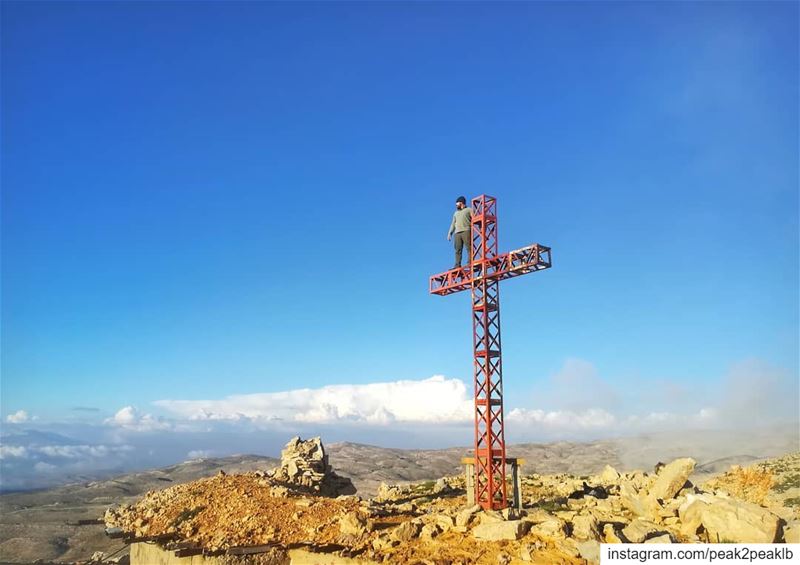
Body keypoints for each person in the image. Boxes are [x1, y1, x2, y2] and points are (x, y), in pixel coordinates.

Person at [447, 196, 472, 269]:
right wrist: (449, 233)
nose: (456, 205)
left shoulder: (469, 210)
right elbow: (453, 224)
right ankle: (457, 265)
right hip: (457, 233)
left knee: (469, 248)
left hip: (466, 230)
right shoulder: (456, 213)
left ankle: (470, 262)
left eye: (457, 203)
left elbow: (474, 218)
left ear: (461, 203)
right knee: (458, 249)